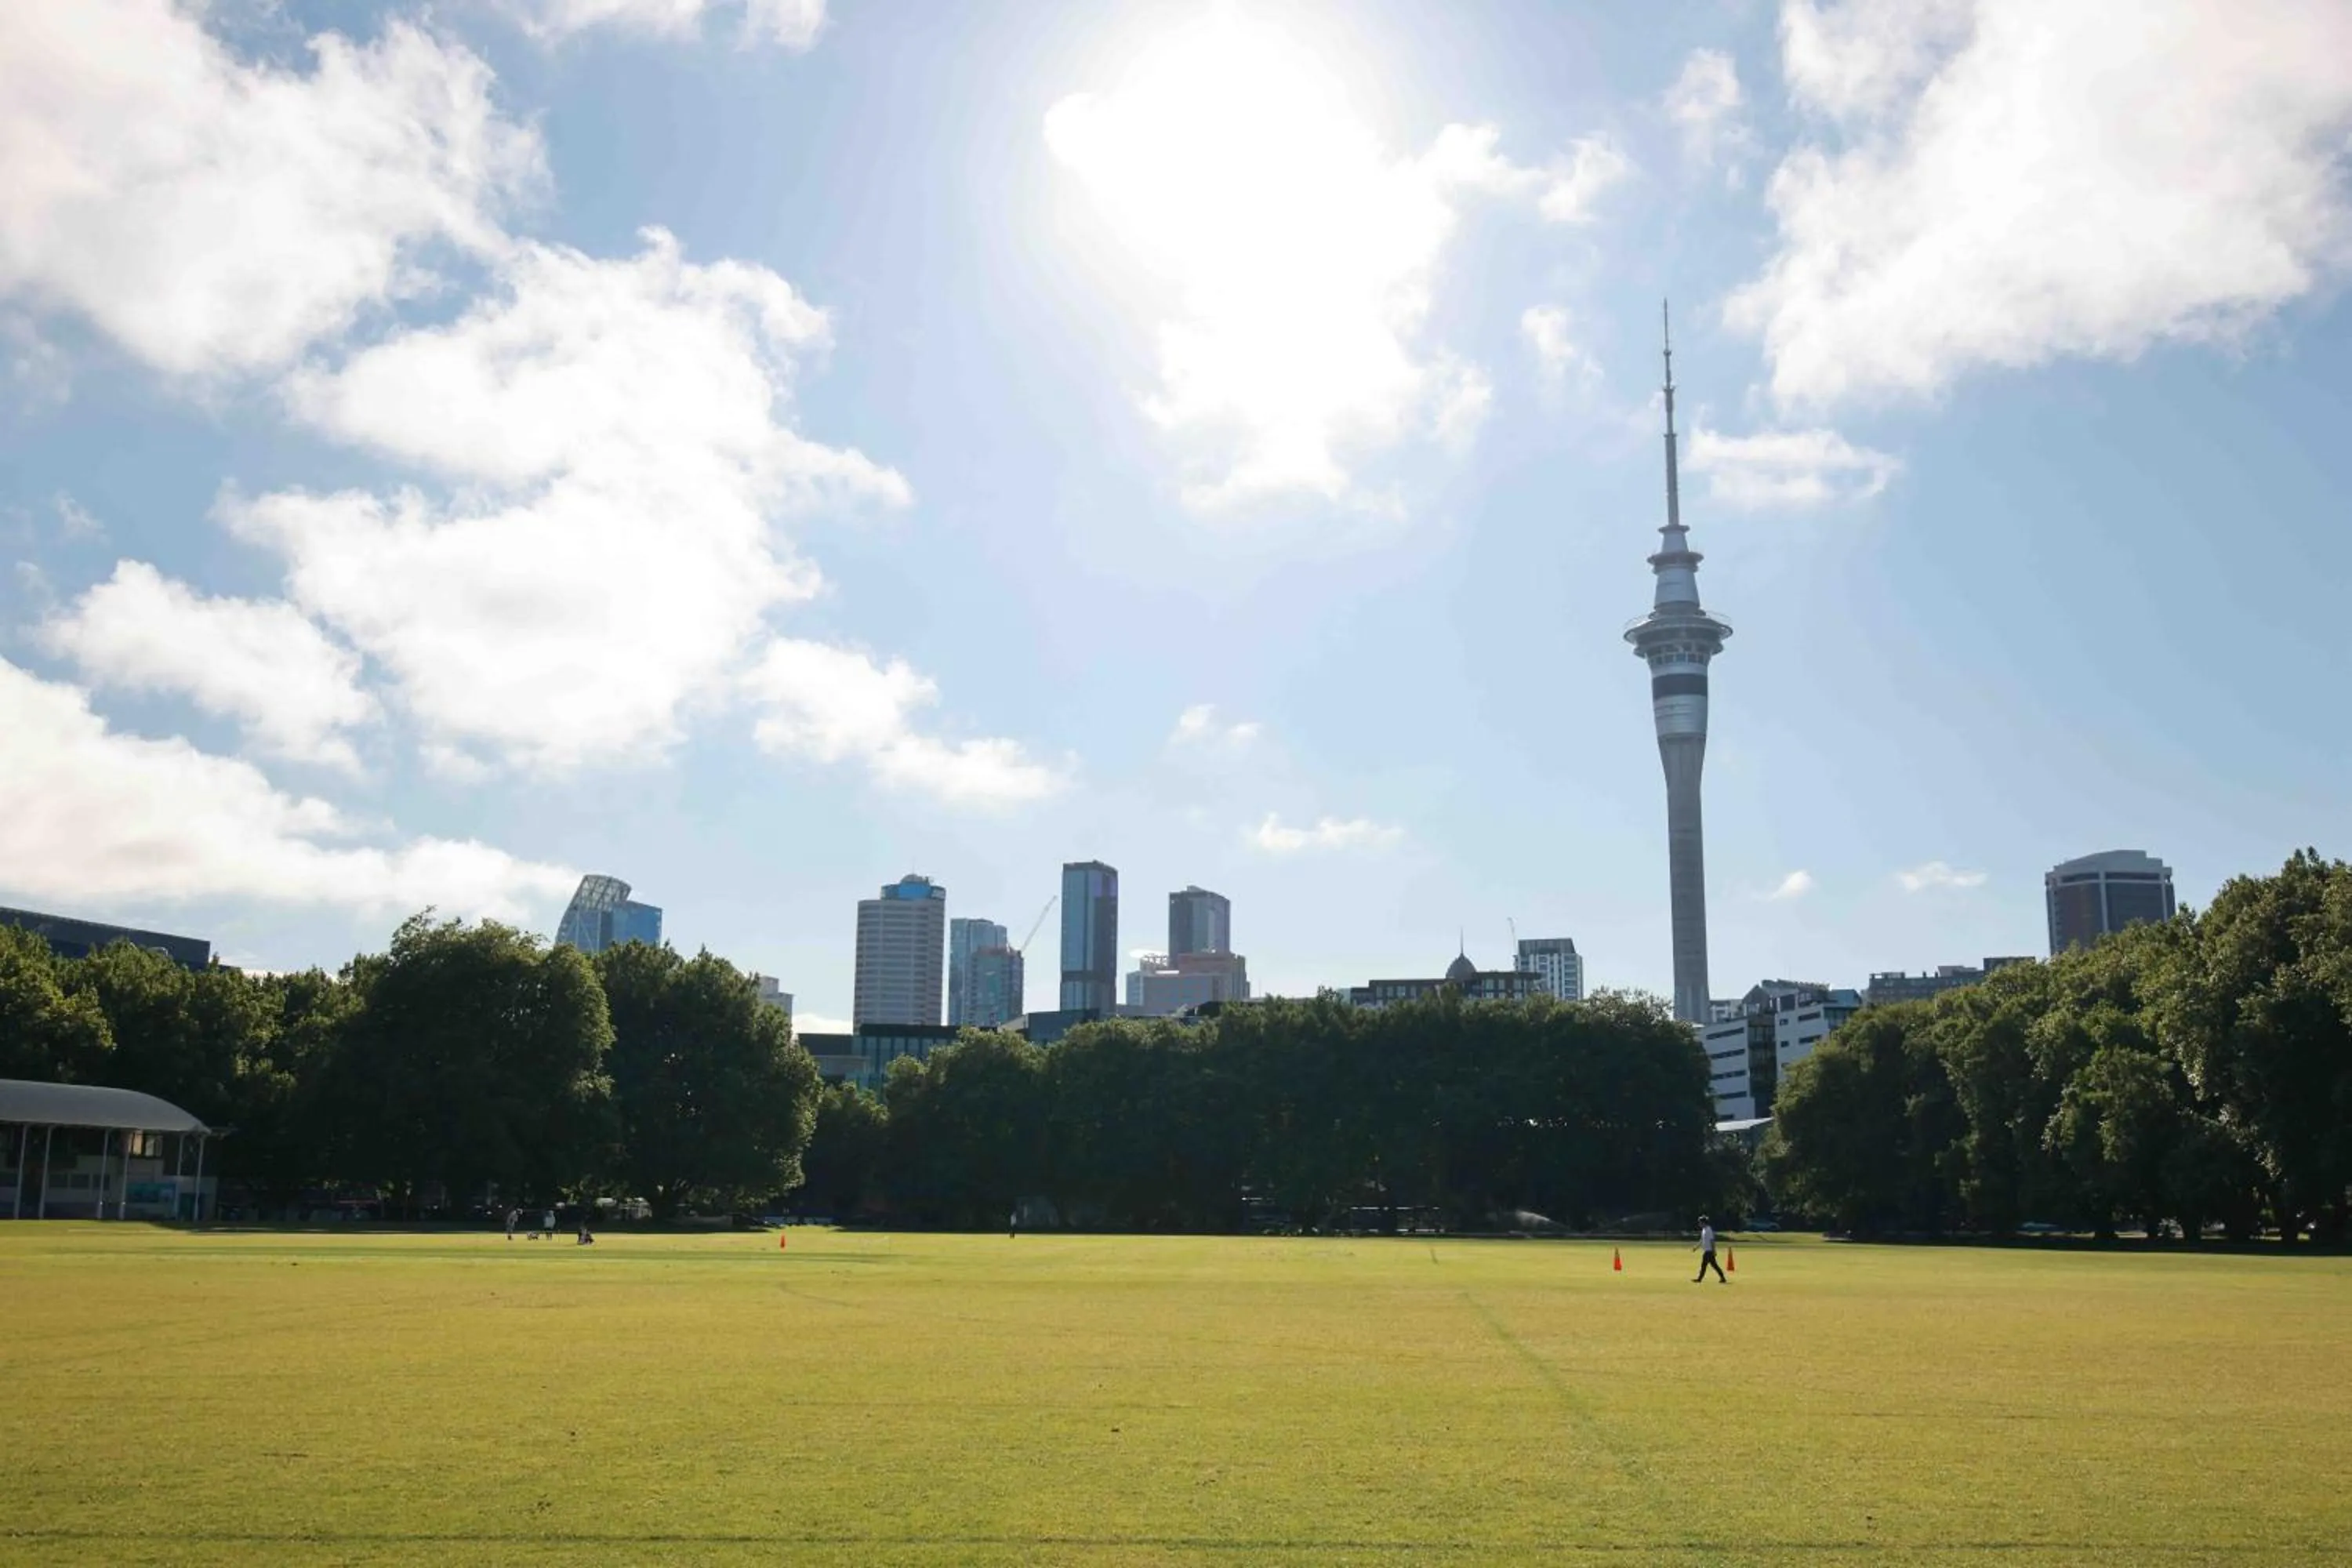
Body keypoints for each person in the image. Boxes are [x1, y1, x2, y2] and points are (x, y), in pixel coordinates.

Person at [1693, 1215, 1727, 1283]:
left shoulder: (1709, 1230)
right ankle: (1723, 1278)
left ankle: (1699, 1279)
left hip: (1709, 1251)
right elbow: (1702, 1240)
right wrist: (1696, 1247)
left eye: (1700, 1222)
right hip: (1707, 1251)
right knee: (1714, 1266)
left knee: (1704, 1265)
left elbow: (1712, 1241)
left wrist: (1714, 1250)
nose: (1699, 1224)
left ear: (1703, 1223)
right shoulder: (1704, 1230)